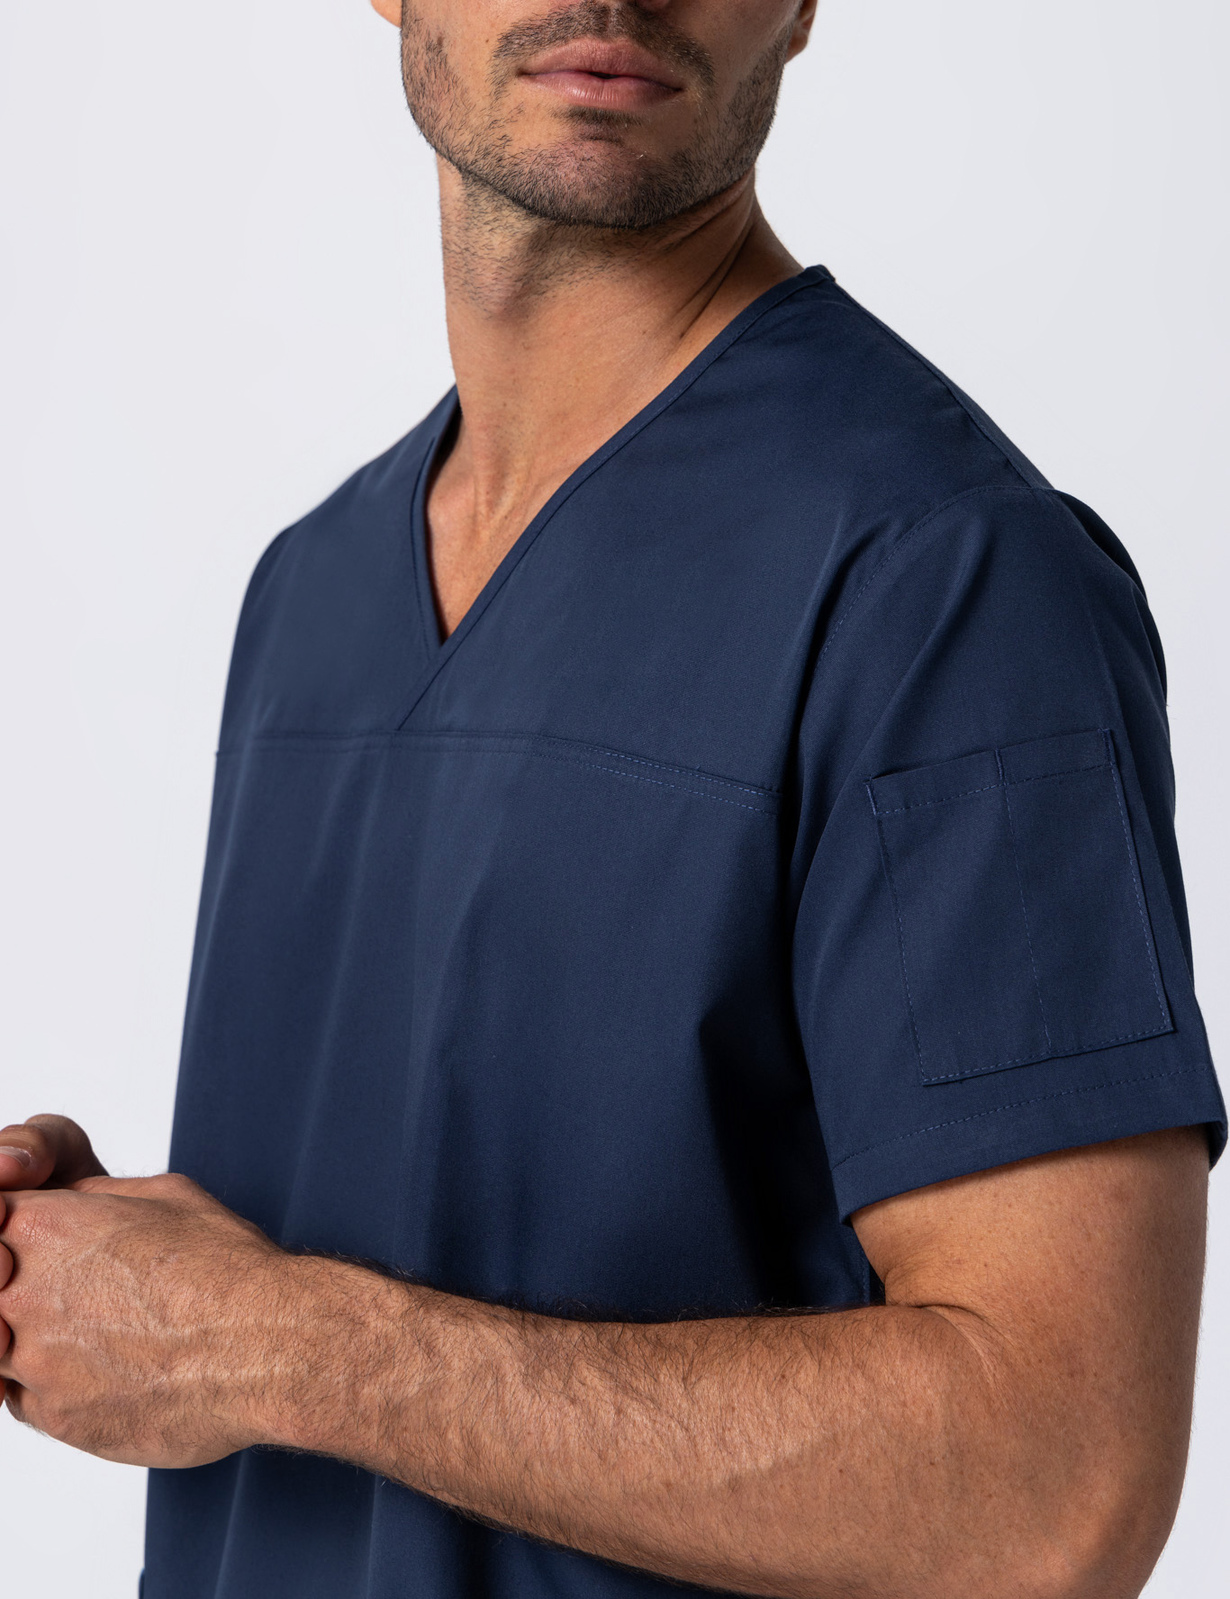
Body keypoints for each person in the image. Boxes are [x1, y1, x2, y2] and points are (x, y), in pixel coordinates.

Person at [0, 2, 1223, 1596]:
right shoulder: (310, 591)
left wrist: (272, 1343)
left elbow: (1051, 1488)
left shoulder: (946, 587)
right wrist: (100, 1278)